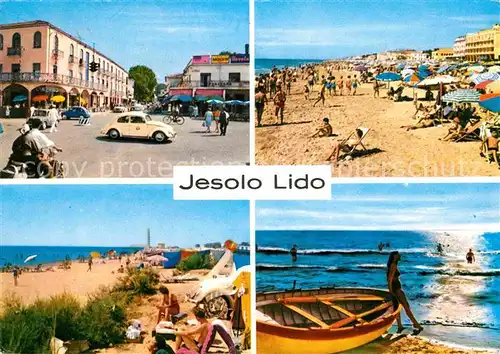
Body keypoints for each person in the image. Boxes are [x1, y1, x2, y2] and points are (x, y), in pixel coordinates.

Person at [387, 251, 423, 334]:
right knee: (406, 306)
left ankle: (400, 326)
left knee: (397, 307)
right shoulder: (393, 265)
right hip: (397, 289)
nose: (400, 255)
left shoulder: (392, 265)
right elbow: (389, 279)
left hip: (395, 288)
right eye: (398, 254)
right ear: (395, 256)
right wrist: (391, 291)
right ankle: (416, 324)